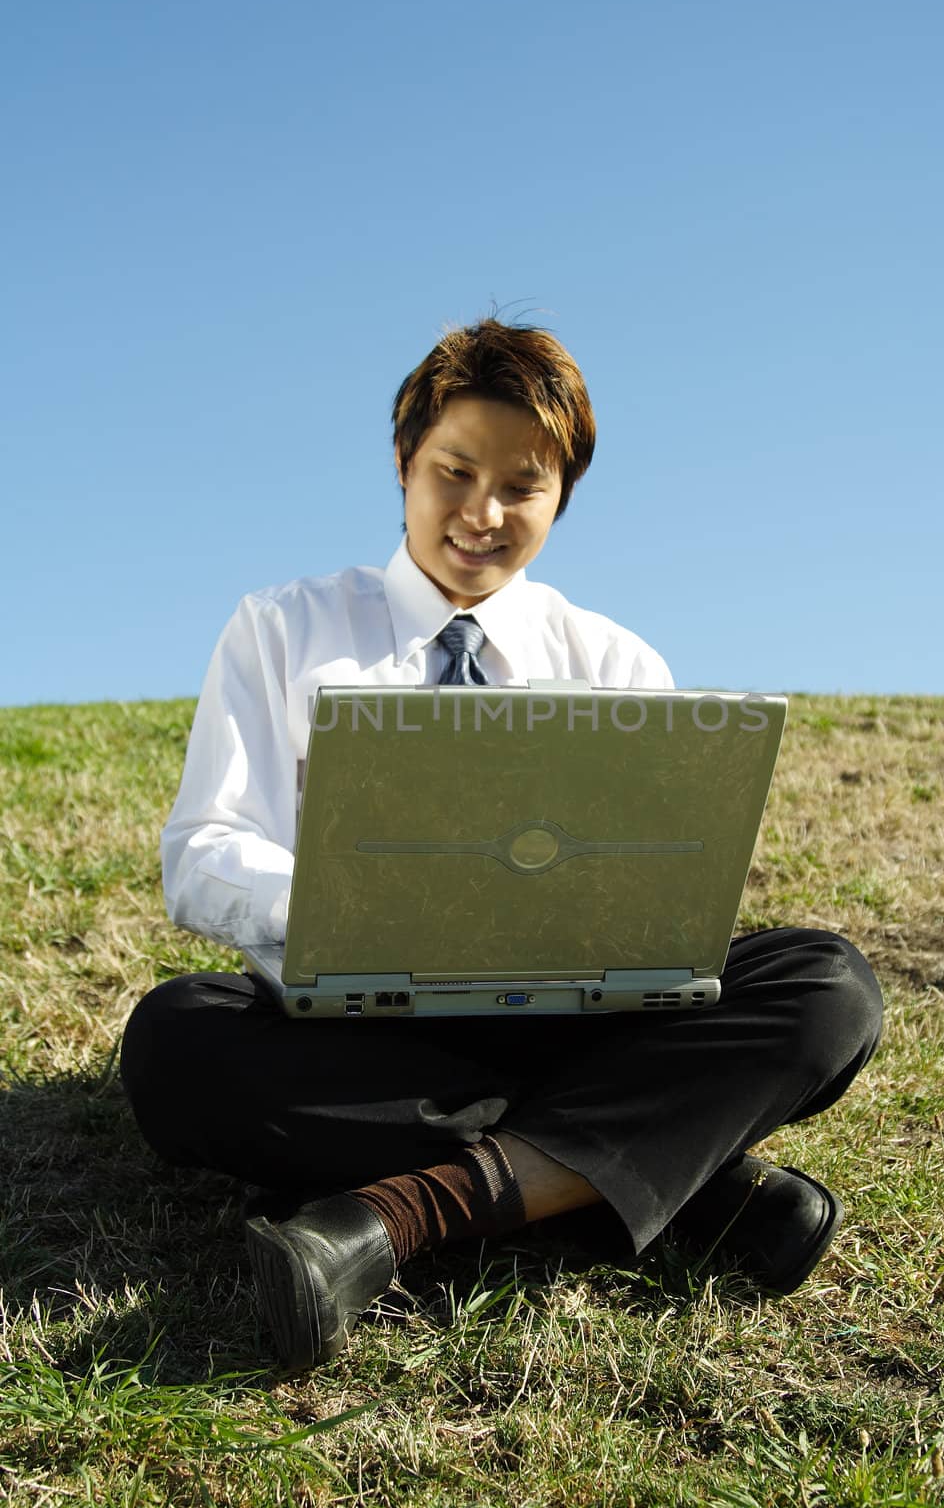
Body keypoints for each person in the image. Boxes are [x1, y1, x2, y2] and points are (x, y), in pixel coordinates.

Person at [120, 318, 883, 1371]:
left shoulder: (614, 660)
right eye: (453, 471)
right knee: (173, 1041)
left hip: (572, 1023)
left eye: (521, 486)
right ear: (402, 463)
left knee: (825, 984)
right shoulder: (281, 627)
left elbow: (657, 876)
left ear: (561, 496)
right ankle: (677, 1177)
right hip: (362, 1030)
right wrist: (346, 910)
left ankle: (397, 1215)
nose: (480, 514)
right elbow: (203, 847)